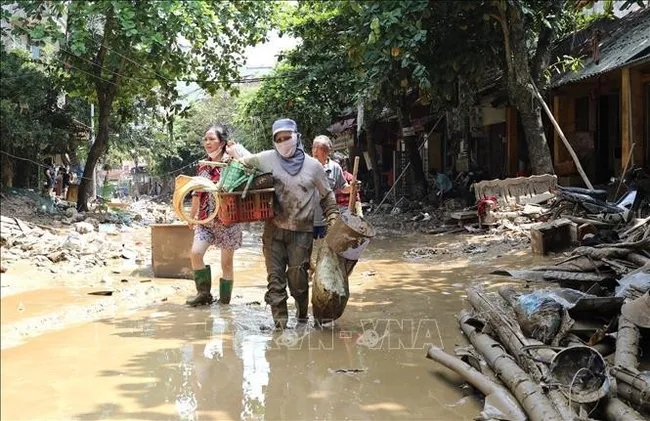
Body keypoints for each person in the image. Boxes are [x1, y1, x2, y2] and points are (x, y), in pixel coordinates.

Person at [238, 119, 340, 329]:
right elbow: (241, 165)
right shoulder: (266, 159)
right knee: (275, 281)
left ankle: (302, 318)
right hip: (273, 230)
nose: (284, 142)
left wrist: (332, 219)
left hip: (301, 233)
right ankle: (280, 328)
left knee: (299, 282)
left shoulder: (313, 166)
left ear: (297, 136)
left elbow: (327, 195)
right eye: (279, 139)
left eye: (287, 137)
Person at [186, 124, 251, 307]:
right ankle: (203, 294)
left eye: (212, 139)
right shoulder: (203, 166)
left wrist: (235, 151)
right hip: (205, 220)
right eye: (205, 139)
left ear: (222, 142)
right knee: (195, 253)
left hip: (228, 221)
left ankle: (224, 304)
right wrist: (192, 217)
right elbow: (197, 193)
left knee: (226, 264)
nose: (207, 142)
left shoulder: (232, 162)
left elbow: (252, 166)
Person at [310, 135, 351, 239]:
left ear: (328, 151)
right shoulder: (305, 166)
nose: (315, 151)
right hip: (307, 220)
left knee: (327, 250)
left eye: (320, 148)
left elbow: (343, 187)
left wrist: (352, 187)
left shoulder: (335, 168)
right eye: (314, 147)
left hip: (327, 220)